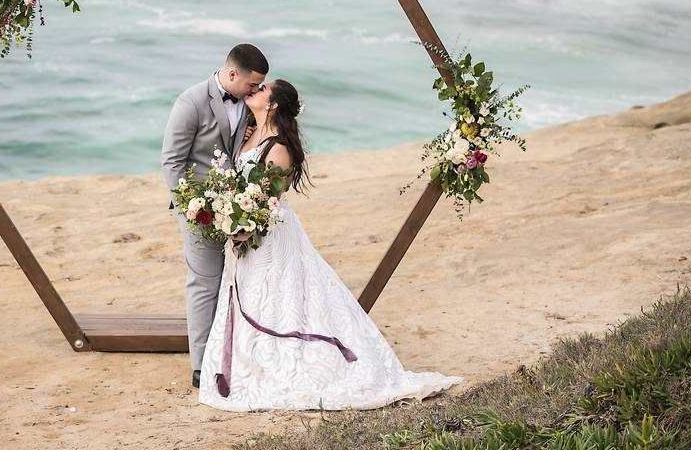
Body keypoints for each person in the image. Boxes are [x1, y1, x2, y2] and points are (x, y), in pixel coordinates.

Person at [197, 79, 464, 411]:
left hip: (268, 234)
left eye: (263, 87)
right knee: (250, 293)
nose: (255, 89)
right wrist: (225, 212)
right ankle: (248, 362)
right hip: (245, 239)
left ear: (274, 103)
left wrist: (242, 224)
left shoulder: (279, 148)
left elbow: (268, 201)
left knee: (281, 296)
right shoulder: (249, 133)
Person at [161, 44, 269, 389]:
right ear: (232, 73)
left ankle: (238, 351)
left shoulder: (247, 104)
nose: (256, 92)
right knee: (205, 281)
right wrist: (193, 208)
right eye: (252, 85)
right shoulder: (190, 102)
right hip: (199, 210)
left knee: (239, 278)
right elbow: (172, 162)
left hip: (237, 207)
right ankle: (201, 363)